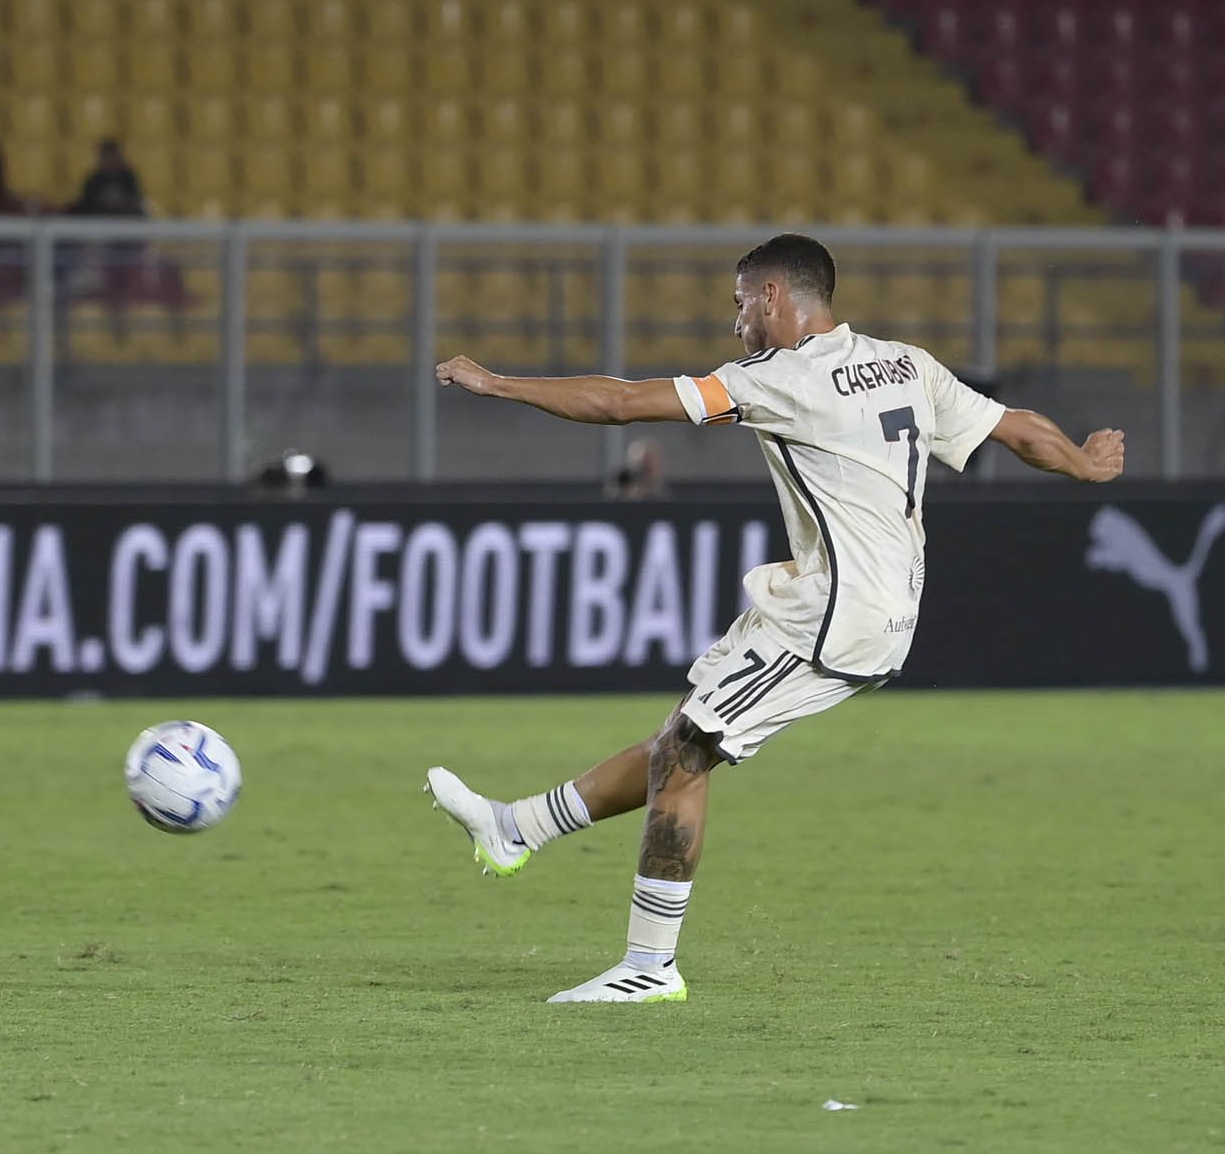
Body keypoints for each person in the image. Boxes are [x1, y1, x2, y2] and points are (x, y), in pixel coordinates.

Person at [426, 233, 1125, 1003]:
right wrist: (1084, 463)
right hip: (859, 603)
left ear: (770, 298)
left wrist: (498, 382)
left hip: (835, 614)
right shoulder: (908, 363)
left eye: (738, 305)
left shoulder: (781, 376)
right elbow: (1017, 427)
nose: (736, 326)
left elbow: (624, 403)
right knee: (680, 741)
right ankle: (517, 826)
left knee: (686, 756)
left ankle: (648, 966)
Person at [67, 137, 146, 217]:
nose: (109, 161)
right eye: (106, 157)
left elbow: (135, 201)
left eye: (112, 157)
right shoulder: (93, 180)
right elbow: (85, 205)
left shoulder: (128, 178)